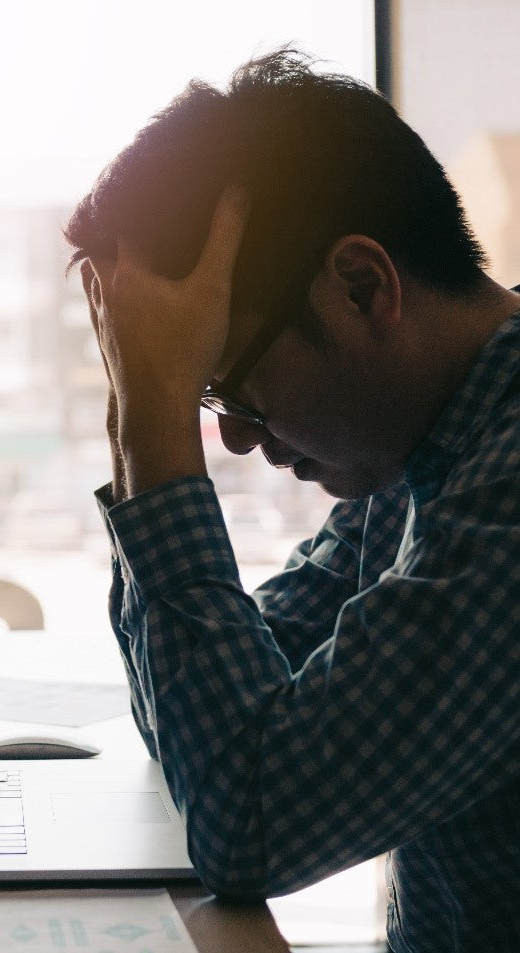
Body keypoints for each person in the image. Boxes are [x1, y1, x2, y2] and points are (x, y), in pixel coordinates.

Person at [65, 49, 520, 953]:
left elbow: (249, 821)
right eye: (205, 398)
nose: (233, 438)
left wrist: (154, 429)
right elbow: (212, 717)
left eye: (227, 385)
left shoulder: (506, 499)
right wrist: (140, 413)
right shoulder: (432, 451)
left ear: (363, 287)